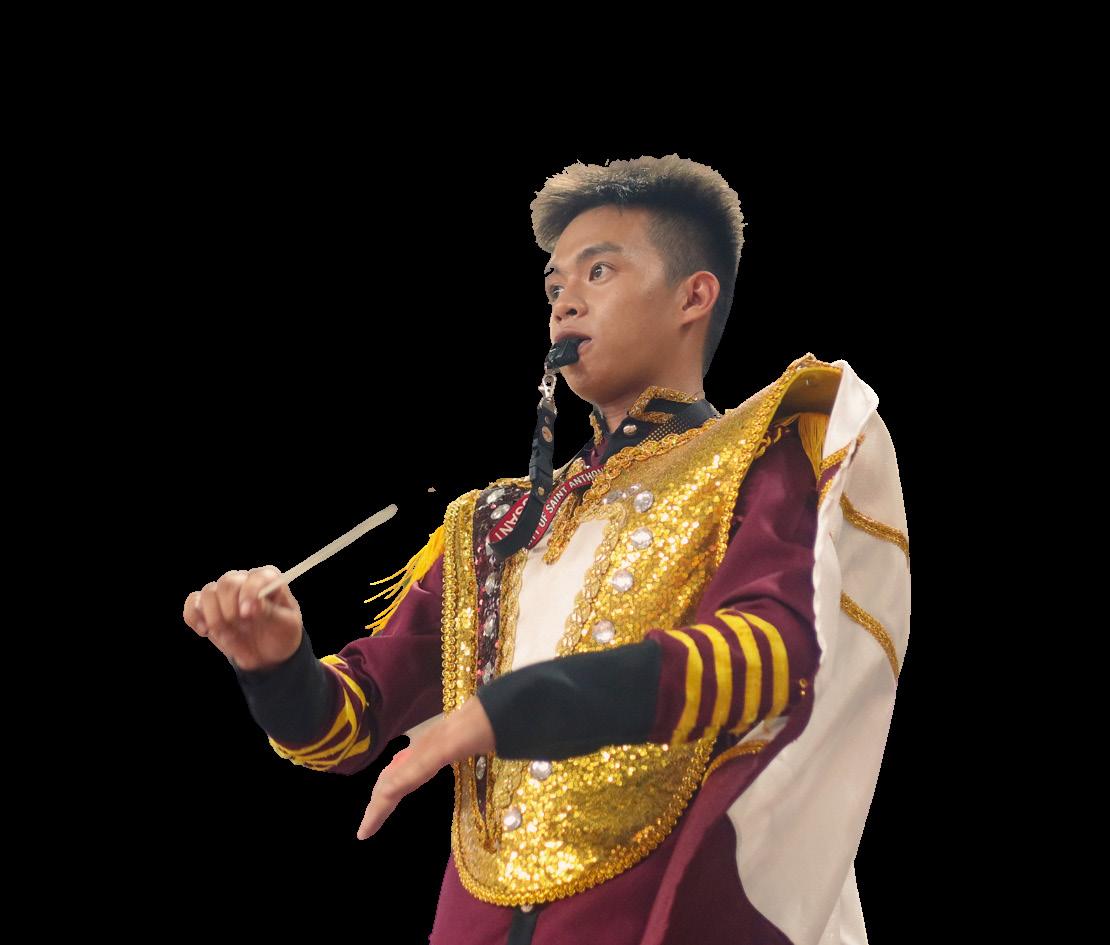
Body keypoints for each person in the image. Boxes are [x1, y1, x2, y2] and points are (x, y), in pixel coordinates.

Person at [183, 155, 910, 945]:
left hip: (664, 912)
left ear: (693, 296)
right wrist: (276, 664)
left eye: (599, 271)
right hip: (476, 917)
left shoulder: (760, 453)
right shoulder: (491, 524)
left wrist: (511, 708)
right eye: (554, 284)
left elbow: (775, 654)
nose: (565, 300)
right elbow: (349, 726)